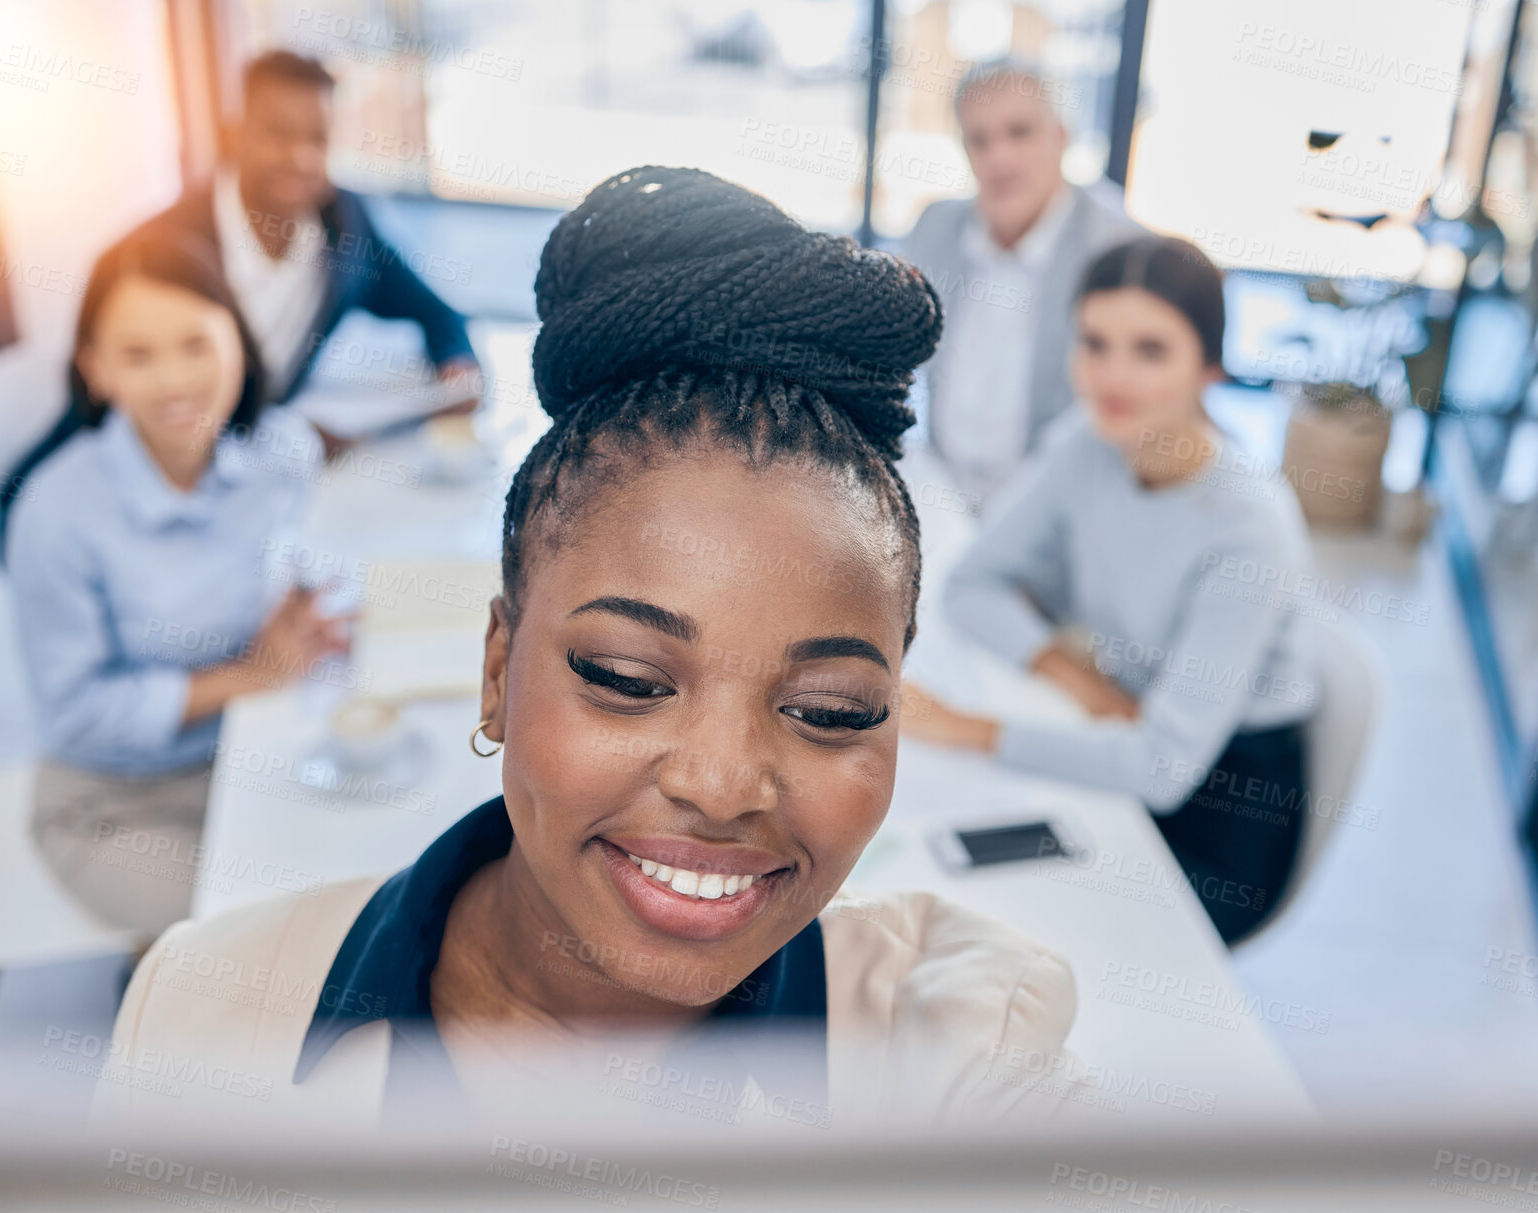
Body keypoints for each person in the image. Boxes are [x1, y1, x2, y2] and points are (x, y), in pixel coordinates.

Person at [95, 166, 1083, 1132]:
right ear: (496, 672)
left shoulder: (965, 1056)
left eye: (828, 709)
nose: (723, 782)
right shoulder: (200, 1024)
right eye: (629, 680)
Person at [904, 237, 1320, 945]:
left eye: (1150, 350)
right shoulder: (1086, 441)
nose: (1112, 375)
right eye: (1094, 343)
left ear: (1209, 367)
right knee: (945, 894)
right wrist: (1073, 676)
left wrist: (967, 730)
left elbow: (1160, 768)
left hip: (1217, 818)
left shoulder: (1248, 528)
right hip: (1118, 730)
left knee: (1010, 938)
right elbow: (970, 585)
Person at [0, 226, 351, 936]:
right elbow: (74, 713)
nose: (175, 381)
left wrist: (305, 605)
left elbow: (287, 553)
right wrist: (245, 676)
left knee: (363, 890)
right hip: (114, 798)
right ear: (96, 369)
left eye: (195, 344)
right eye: (137, 355)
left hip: (249, 750)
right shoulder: (54, 513)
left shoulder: (282, 450)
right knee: (263, 939)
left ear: (237, 339)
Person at [142, 50, 477, 424]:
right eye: (279, 134)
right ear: (236, 134)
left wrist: (456, 363)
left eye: (317, 138)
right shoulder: (165, 245)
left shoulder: (346, 223)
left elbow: (435, 311)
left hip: (279, 454)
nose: (300, 157)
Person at [902, 56, 1144, 505]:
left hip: (1059, 504)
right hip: (940, 492)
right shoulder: (935, 228)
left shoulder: (1118, 248)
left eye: (1019, 132)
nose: (1000, 158)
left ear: (1060, 137)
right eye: (979, 139)